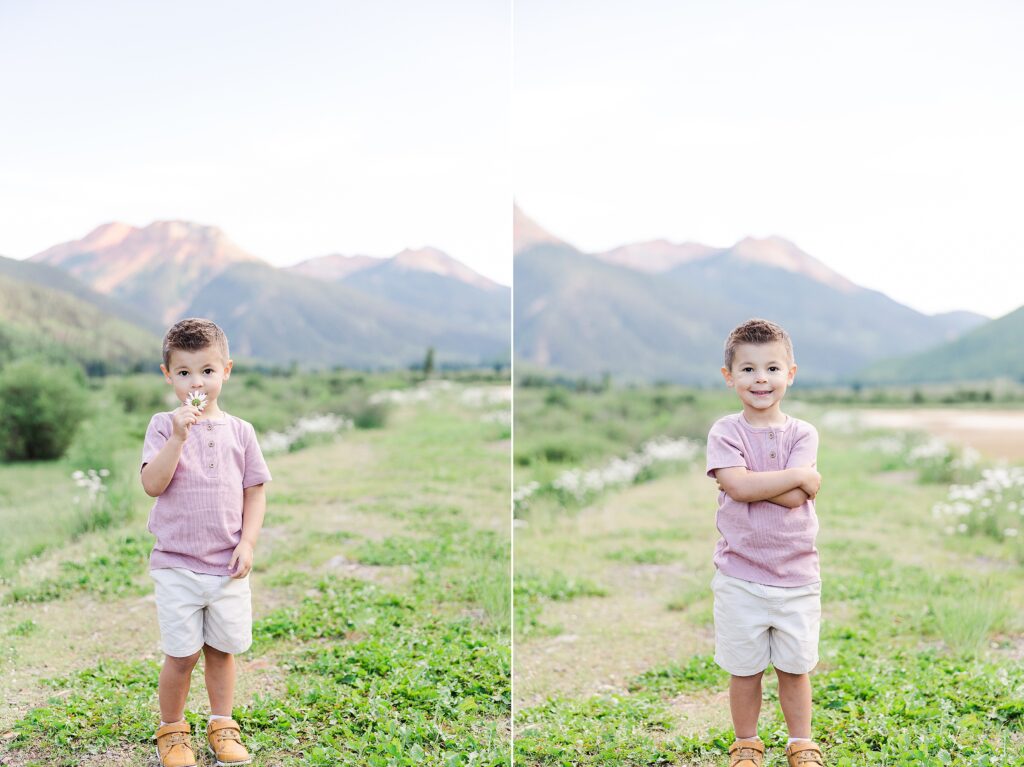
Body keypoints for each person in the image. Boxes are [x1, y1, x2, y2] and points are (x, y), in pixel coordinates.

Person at [141, 318, 271, 767]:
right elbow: (152, 485)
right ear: (168, 375)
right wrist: (179, 435)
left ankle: (222, 724)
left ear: (226, 371)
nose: (197, 383)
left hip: (226, 566)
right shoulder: (163, 426)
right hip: (176, 563)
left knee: (222, 651)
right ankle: (173, 732)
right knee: (181, 655)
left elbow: (255, 490)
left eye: (207, 371)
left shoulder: (241, 431)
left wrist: (248, 542)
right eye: (184, 373)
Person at [705, 318, 825, 767]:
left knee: (795, 668)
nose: (761, 379)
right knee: (745, 668)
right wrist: (797, 475)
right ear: (729, 376)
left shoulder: (802, 433)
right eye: (749, 369)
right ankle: (747, 743)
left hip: (796, 576)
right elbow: (737, 488)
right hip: (740, 575)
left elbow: (793, 500)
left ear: (790, 373)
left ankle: (800, 743)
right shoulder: (725, 431)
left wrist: (763, 483)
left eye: (772, 369)